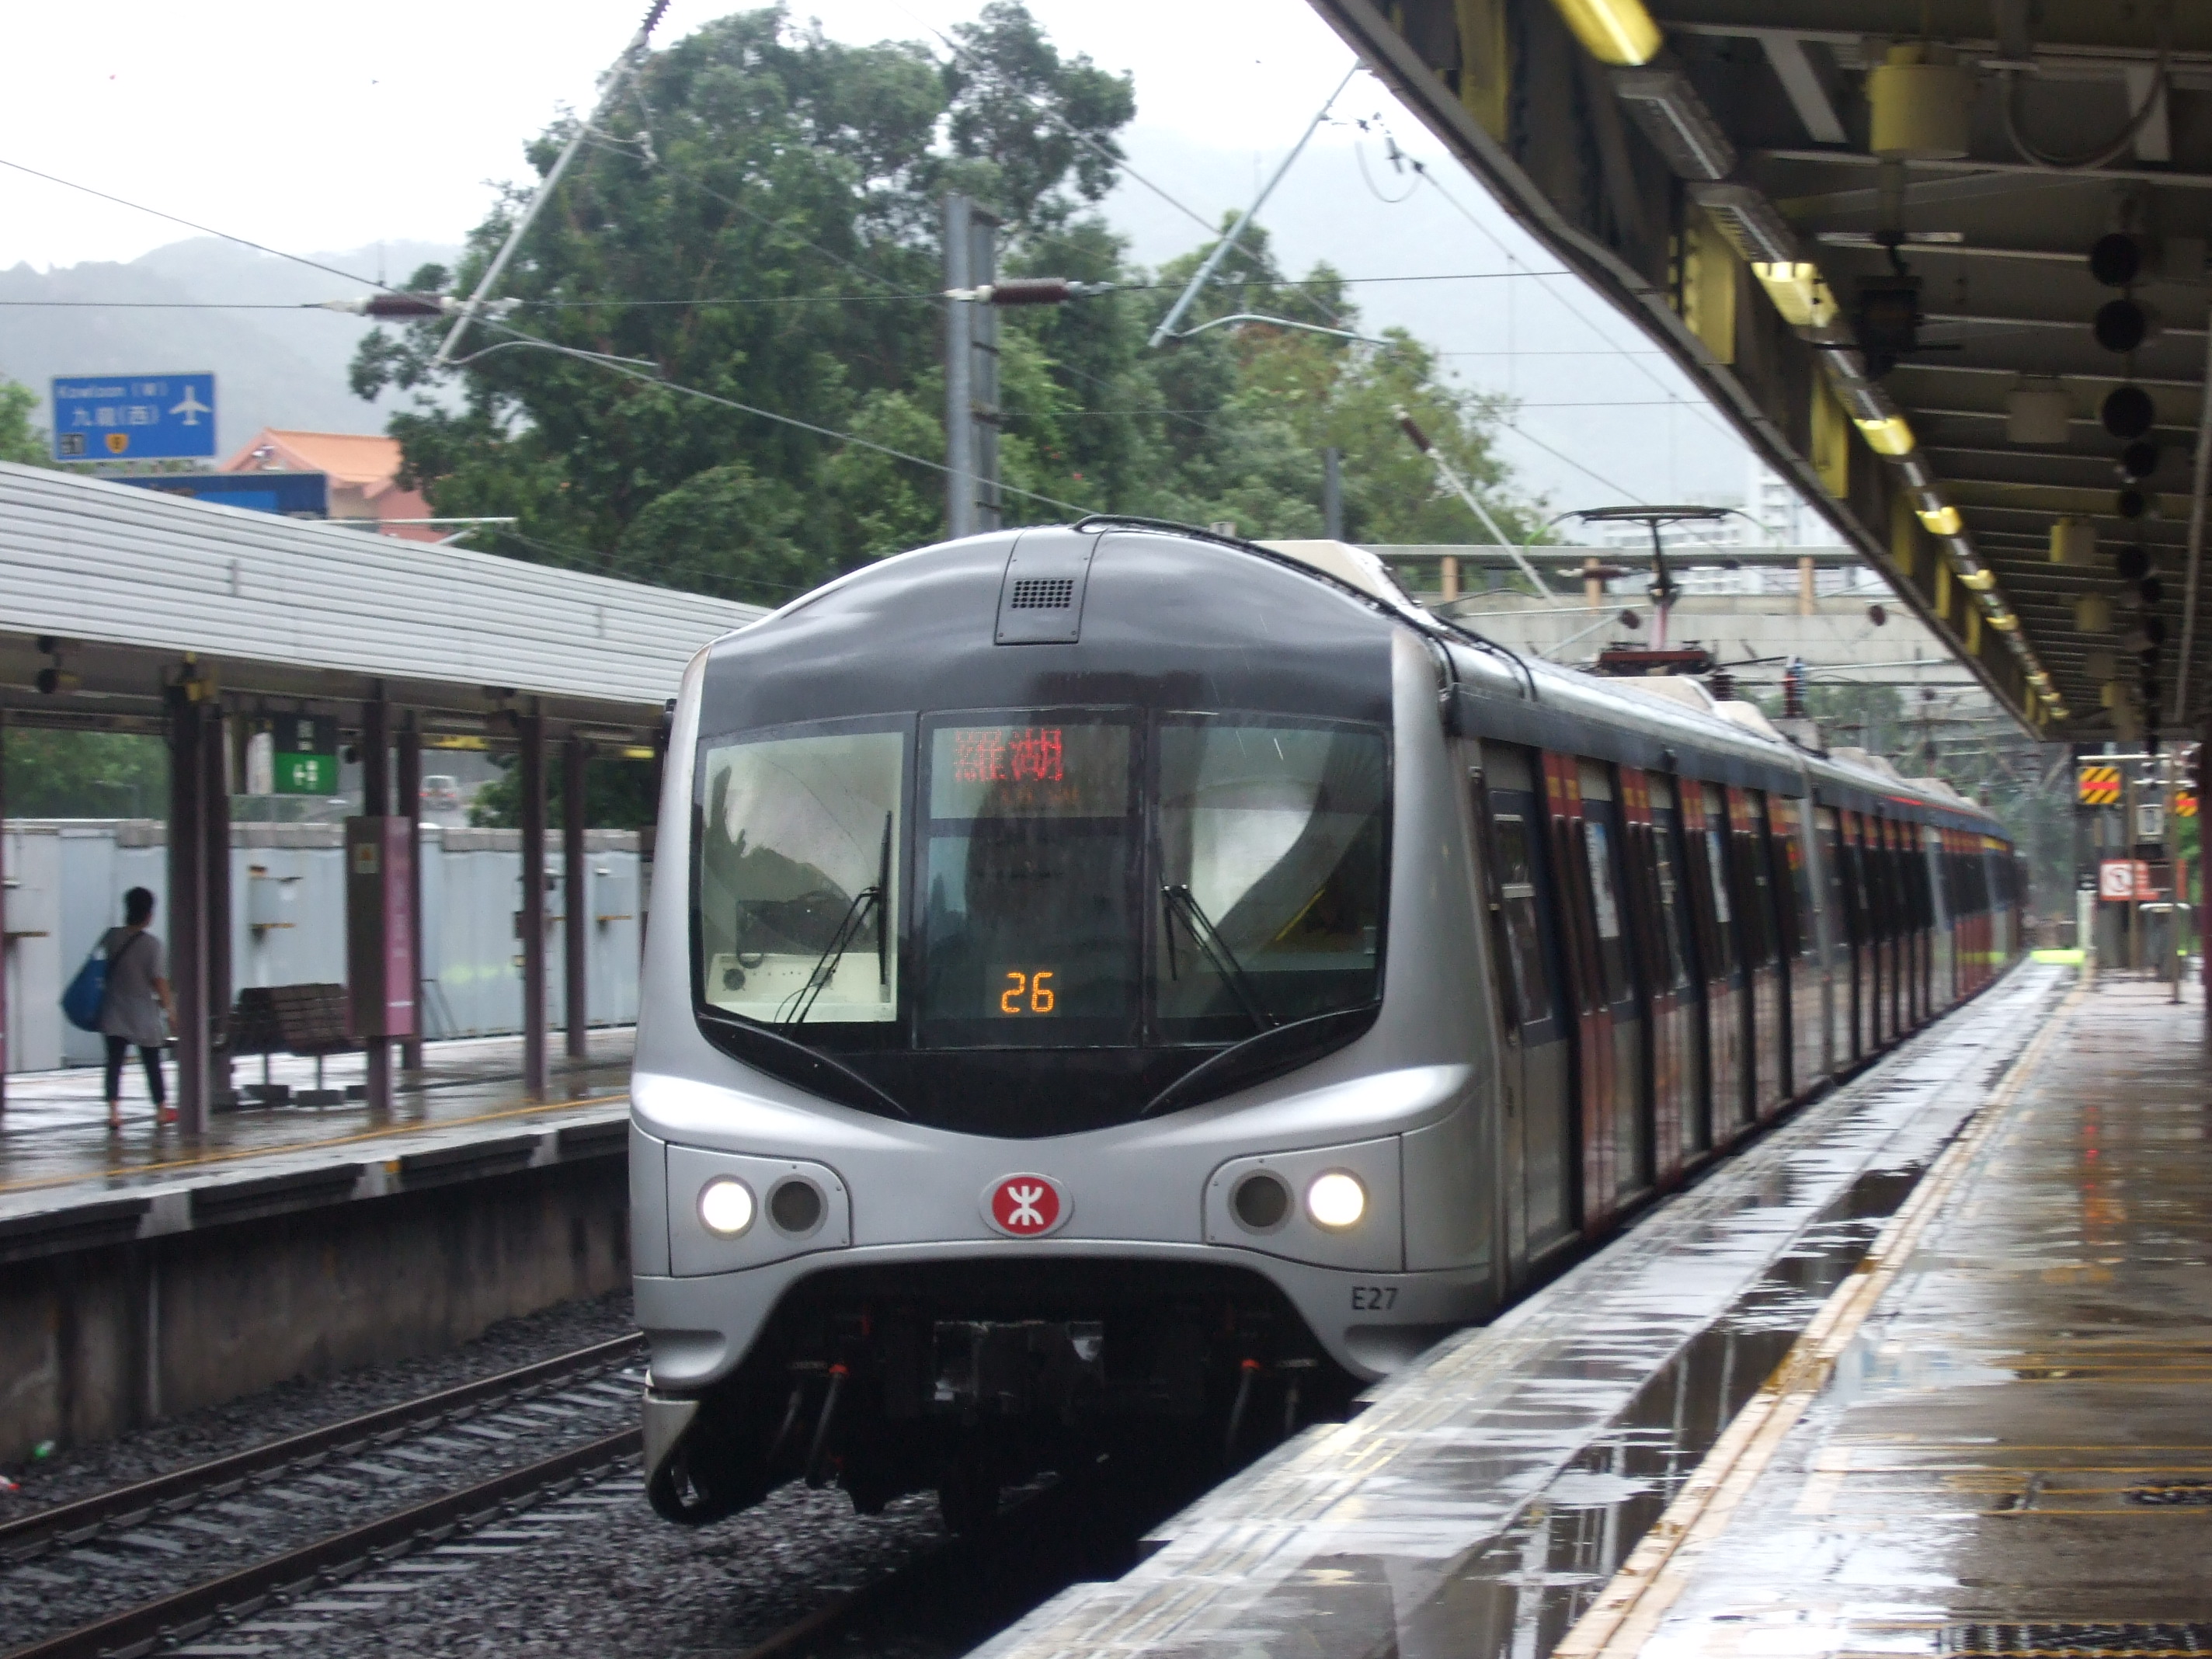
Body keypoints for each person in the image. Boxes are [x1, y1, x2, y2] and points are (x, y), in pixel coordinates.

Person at [99, 887, 176, 1130]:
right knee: (152, 1063)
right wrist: (170, 1011)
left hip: (113, 1011)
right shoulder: (153, 945)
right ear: (149, 914)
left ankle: (114, 1113)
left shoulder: (110, 937)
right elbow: (159, 981)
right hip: (143, 1014)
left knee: (114, 1064)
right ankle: (161, 1110)